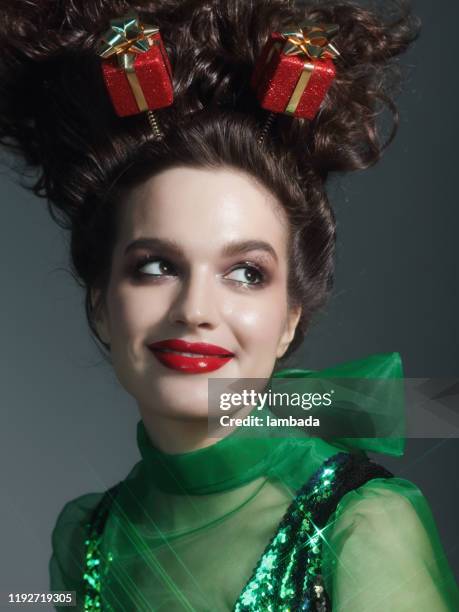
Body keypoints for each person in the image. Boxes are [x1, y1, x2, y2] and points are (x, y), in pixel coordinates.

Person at [1, 0, 458, 610]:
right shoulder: (89, 540)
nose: (195, 309)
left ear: (289, 318)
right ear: (101, 307)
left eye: (246, 273)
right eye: (156, 267)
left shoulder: (361, 528)